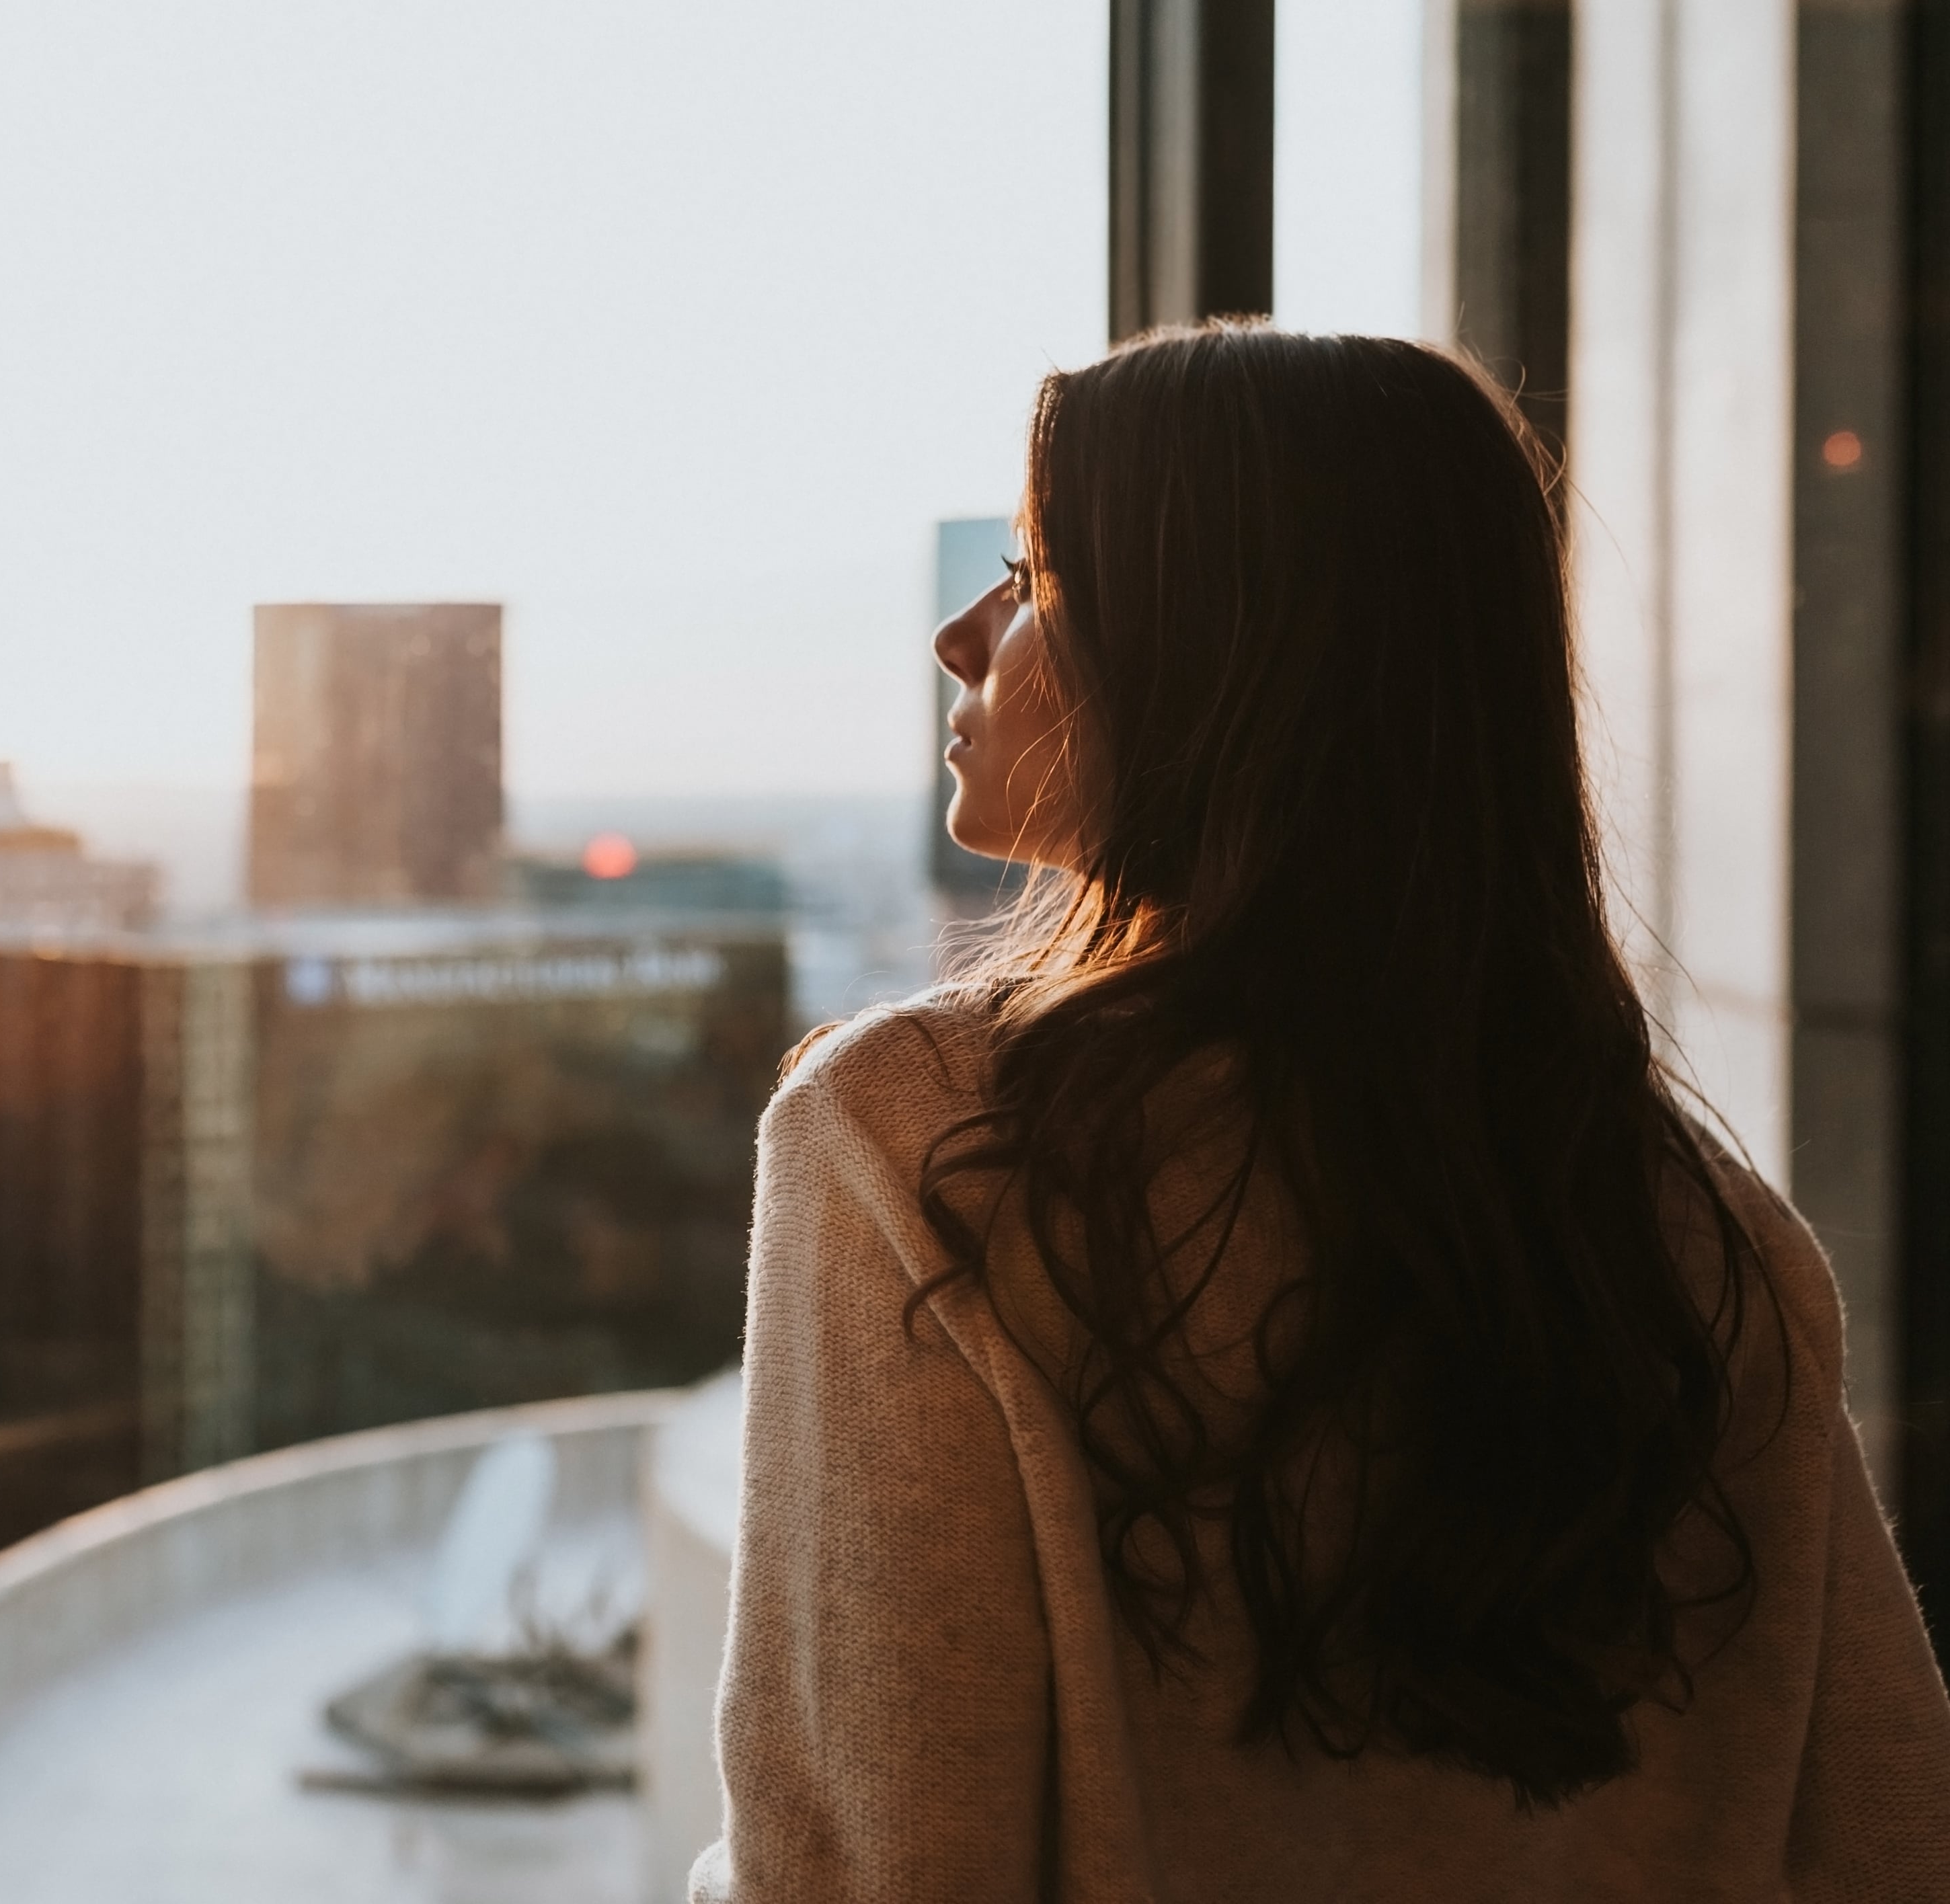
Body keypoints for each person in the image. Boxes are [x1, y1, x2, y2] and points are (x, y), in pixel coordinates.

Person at [691, 325, 1950, 1903]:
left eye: (1035, 574)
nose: (964, 635)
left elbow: (873, 1866)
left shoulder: (928, 1150)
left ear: (1218, 653)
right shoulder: (1686, 1224)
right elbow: (1886, 1839)